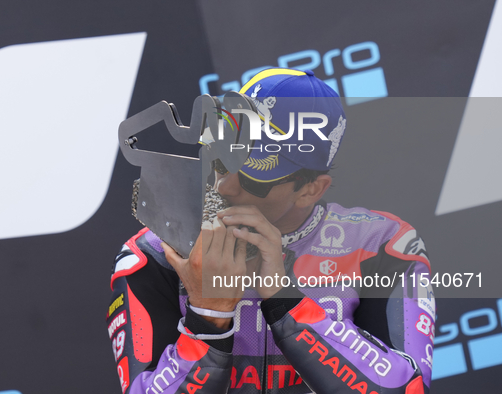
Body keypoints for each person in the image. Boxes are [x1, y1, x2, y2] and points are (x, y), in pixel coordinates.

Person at [107, 68, 434, 394]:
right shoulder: (154, 255)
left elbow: (408, 388)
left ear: (311, 189)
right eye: (223, 158)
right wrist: (207, 317)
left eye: (255, 175)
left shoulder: (382, 245)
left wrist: (285, 302)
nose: (225, 184)